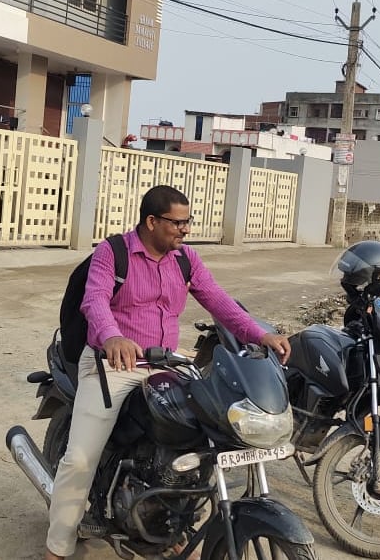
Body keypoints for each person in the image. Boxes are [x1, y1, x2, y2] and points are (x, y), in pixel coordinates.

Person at [45, 185, 292, 560]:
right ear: (151, 221)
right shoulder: (113, 253)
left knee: (202, 438)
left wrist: (260, 334)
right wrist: (113, 337)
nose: (185, 229)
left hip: (167, 363)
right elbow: (94, 301)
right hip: (113, 365)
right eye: (178, 222)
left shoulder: (185, 259)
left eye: (188, 221)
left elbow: (218, 301)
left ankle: (171, 521)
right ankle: (58, 546)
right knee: (80, 458)